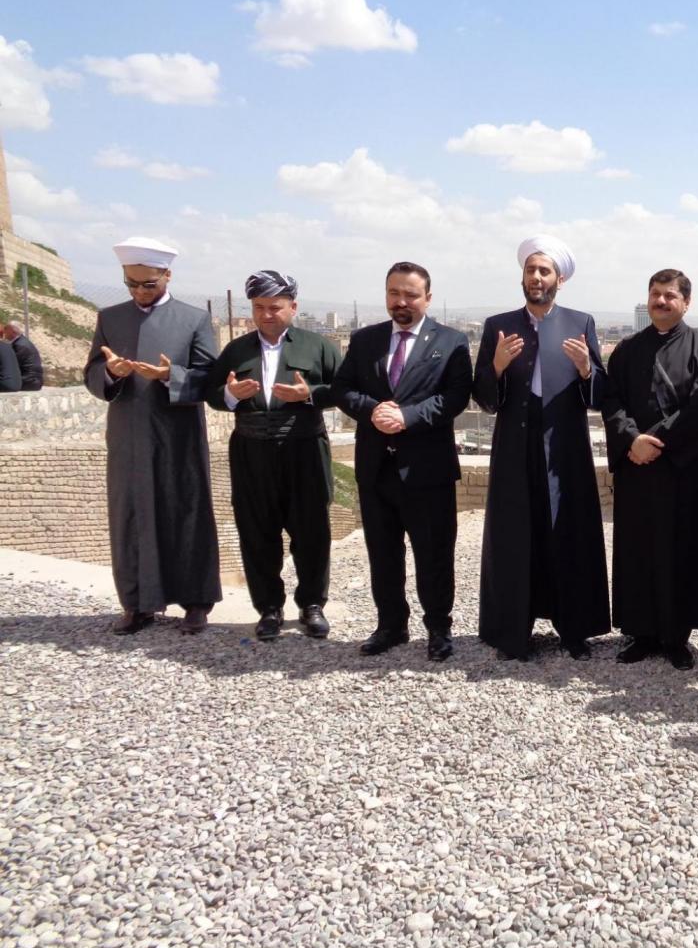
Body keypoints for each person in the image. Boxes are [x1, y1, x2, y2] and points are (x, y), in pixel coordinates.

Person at [472, 236, 609, 661]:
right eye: (530, 270)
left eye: (544, 271)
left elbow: (600, 395)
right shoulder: (498, 325)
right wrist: (496, 367)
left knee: (568, 533)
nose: (536, 277)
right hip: (514, 447)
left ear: (559, 280)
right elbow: (483, 397)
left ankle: (574, 629)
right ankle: (513, 632)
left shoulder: (580, 322)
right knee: (515, 536)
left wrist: (586, 369)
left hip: (565, 450)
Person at [330, 261, 473, 661]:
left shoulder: (451, 341)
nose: (402, 301)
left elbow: (456, 397)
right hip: (376, 468)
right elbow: (342, 388)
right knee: (383, 553)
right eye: (394, 293)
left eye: (411, 294)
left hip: (427, 470)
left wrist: (407, 417)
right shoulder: (365, 340)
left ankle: (438, 628)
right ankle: (390, 626)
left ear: (428, 298)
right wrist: (372, 410)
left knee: (434, 554)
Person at [83, 236, 221, 634]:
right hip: (128, 435)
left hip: (177, 434)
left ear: (167, 277)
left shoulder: (194, 319)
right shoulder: (110, 318)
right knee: (131, 514)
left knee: (186, 508)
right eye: (132, 284)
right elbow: (92, 373)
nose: (140, 292)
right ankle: (137, 603)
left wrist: (168, 375)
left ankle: (196, 601)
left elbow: (209, 378)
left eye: (149, 284)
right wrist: (111, 373)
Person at [603, 268, 698, 669]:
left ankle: (676, 637)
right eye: (655, 294)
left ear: (686, 302)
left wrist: (654, 442)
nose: (661, 301)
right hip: (636, 468)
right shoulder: (626, 350)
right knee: (638, 550)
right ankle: (641, 633)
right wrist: (631, 440)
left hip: (682, 469)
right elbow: (611, 401)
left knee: (680, 551)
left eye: (670, 295)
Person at [207, 271, 343, 642]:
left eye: (275, 307)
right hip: (251, 450)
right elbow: (212, 392)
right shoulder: (237, 350)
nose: (266, 315)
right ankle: (269, 608)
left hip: (303, 448)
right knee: (257, 531)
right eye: (259, 307)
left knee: (311, 531)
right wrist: (231, 395)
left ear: (293, 307)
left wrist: (310, 394)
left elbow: (344, 390)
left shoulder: (318, 346)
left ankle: (312, 605)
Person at [2, 322, 43, 390]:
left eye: (6, 328)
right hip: (31, 380)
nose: (4, 331)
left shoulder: (20, 345)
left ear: (13, 331)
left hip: (29, 381)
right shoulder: (20, 342)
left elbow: (11, 366)